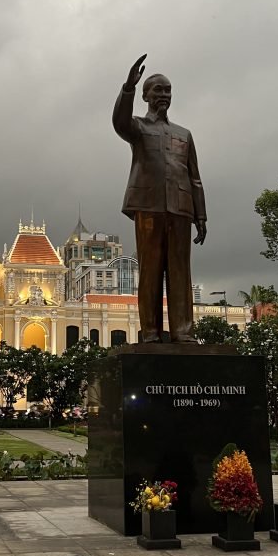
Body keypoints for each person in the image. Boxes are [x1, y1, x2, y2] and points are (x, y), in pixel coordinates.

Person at [113, 55, 207, 342]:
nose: (164, 95)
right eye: (158, 90)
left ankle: (183, 332)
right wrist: (128, 88)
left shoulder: (184, 134)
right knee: (150, 269)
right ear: (146, 96)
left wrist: (201, 216)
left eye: (168, 90)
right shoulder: (139, 127)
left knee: (180, 271)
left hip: (181, 208)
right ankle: (151, 332)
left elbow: (195, 177)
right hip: (148, 206)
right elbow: (119, 122)